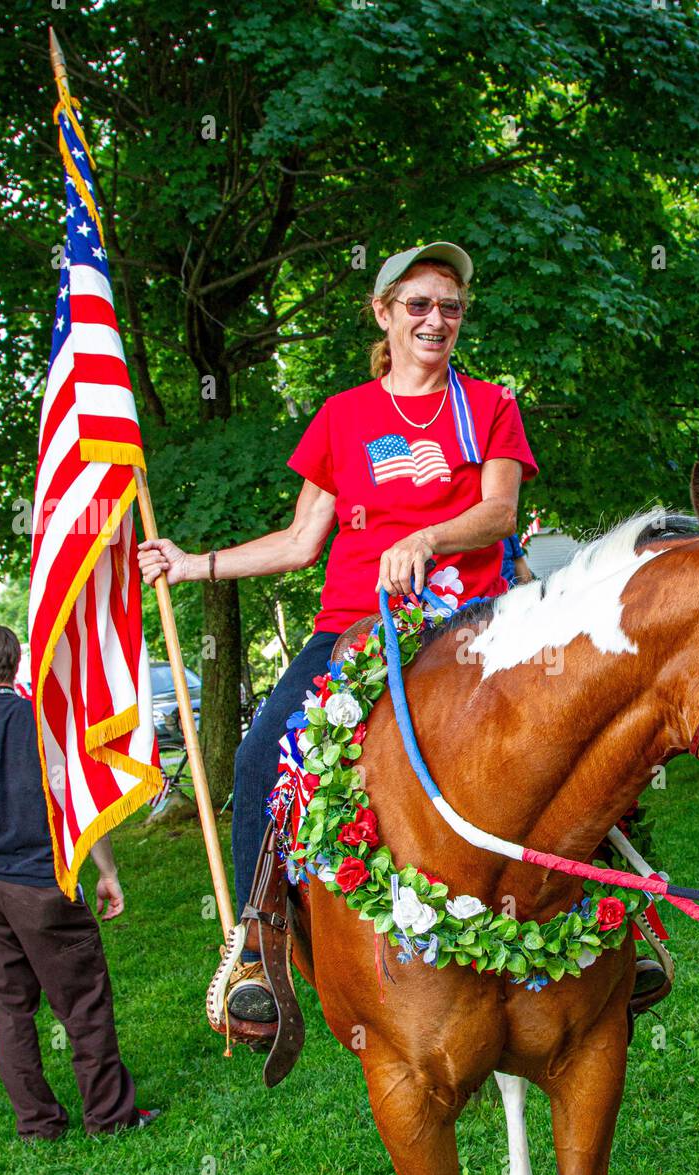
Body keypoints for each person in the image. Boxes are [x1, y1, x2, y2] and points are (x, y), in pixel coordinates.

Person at [138, 242, 537, 1025]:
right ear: (384, 314)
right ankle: (259, 949)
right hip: (353, 624)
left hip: (475, 619)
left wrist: (427, 539)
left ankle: (620, 925)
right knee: (258, 757)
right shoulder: (342, 417)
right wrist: (194, 564)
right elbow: (298, 543)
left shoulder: (488, 404)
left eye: (450, 307)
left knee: (578, 715)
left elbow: (499, 513)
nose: (436, 319)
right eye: (418, 304)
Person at [0, 624, 158, 1139]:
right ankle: (109, 1115)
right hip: (44, 880)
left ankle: (37, 1124)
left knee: (8, 1009)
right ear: (15, 662)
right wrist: (106, 871)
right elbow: (77, 802)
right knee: (83, 1002)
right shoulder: (37, 721)